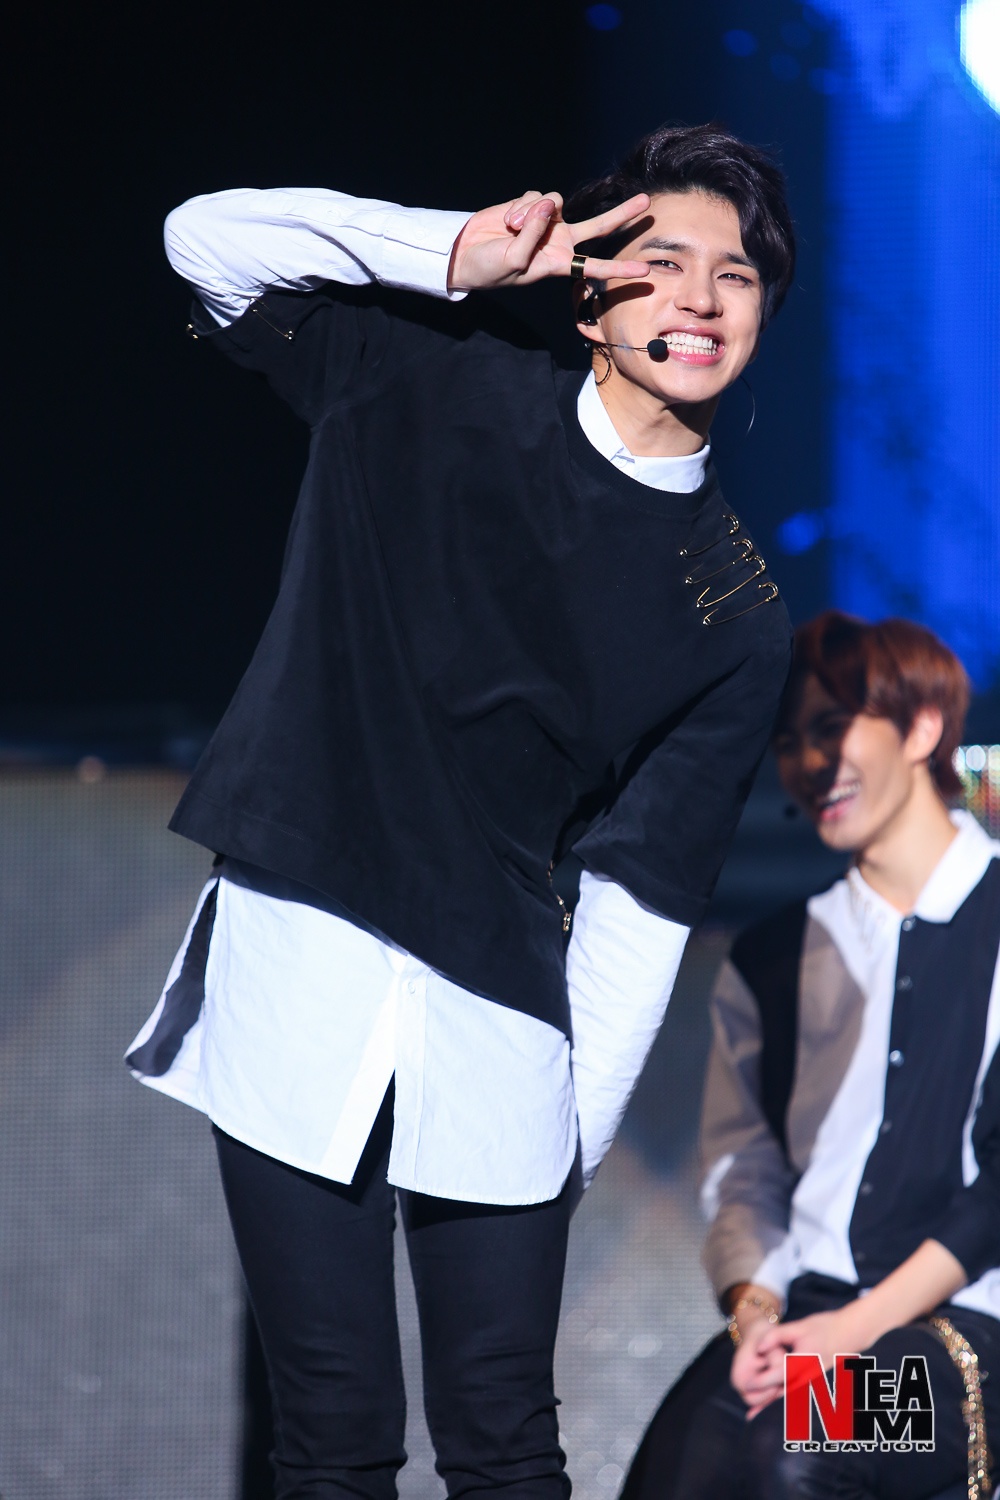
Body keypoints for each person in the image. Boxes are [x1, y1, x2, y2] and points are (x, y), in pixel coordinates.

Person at [125, 123, 795, 1499]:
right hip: (302, 940)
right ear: (590, 296)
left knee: (504, 1441)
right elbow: (205, 241)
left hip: (502, 1007)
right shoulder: (428, 377)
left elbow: (643, 900)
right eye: (662, 262)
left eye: (734, 276)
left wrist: (565, 1155)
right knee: (333, 1430)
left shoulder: (731, 608)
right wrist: (448, 253)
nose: (699, 298)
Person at [622, 610, 1000, 1500]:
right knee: (675, 1470)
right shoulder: (772, 957)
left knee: (794, 1450)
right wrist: (756, 1311)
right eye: (789, 741)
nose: (809, 762)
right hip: (808, 1317)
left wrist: (857, 1329)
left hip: (969, 1335)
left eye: (831, 727)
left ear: (923, 728)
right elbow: (745, 1170)